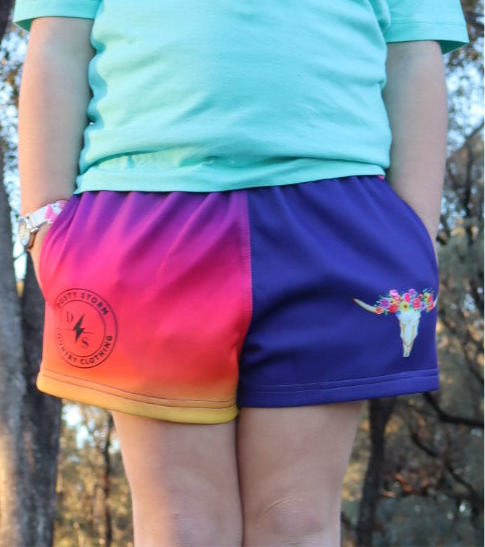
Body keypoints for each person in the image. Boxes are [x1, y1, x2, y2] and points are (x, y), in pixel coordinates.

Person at [14, 1, 468, 545]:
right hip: (143, 213)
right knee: (183, 528)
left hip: (337, 215)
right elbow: (58, 42)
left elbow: (413, 56)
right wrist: (43, 223)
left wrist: (413, 233)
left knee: (296, 522)